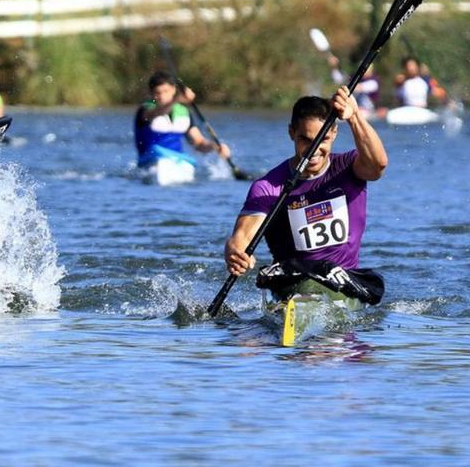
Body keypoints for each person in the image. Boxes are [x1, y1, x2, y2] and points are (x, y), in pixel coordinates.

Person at [224, 86, 387, 304]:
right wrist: (236, 252)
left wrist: (354, 117)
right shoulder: (268, 186)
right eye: (305, 140)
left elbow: (378, 166)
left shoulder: (349, 168)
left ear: (334, 134)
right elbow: (242, 237)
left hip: (342, 279)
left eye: (323, 139)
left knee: (335, 274)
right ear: (291, 132)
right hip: (292, 279)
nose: (314, 150)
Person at [133, 71, 230, 168]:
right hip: (149, 160)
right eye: (157, 93)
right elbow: (157, 113)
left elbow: (199, 143)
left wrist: (216, 147)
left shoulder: (184, 112)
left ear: (173, 90)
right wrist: (177, 99)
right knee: (157, 151)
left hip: (178, 161)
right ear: (151, 93)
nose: (162, 96)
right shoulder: (145, 109)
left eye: (166, 91)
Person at [327, 54, 383, 119]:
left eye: (366, 69)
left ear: (371, 69)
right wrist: (335, 67)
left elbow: (358, 88)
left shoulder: (373, 82)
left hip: (368, 110)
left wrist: (347, 82)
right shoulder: (354, 77)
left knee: (361, 97)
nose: (364, 70)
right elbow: (339, 79)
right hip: (355, 108)